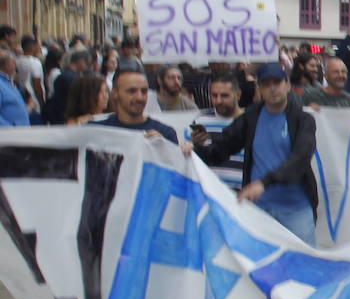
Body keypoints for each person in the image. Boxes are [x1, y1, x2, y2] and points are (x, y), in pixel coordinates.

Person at [191, 63, 319, 246]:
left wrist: (263, 183)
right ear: (259, 88)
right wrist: (195, 150)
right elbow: (221, 150)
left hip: (295, 209)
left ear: (288, 85)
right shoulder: (250, 118)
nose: (272, 88)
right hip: (258, 210)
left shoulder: (303, 120)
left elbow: (300, 159)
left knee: (302, 261)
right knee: (259, 262)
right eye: (266, 84)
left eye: (277, 82)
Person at [186, 72, 247, 191]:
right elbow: (189, 156)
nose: (218, 100)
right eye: (214, 95)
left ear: (238, 94)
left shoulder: (251, 121)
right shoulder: (200, 121)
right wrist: (194, 145)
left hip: (243, 194)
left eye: (224, 96)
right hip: (210, 193)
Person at [89, 67, 179, 144]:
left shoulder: (166, 134)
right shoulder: (94, 131)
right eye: (132, 91)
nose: (139, 97)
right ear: (115, 93)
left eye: (144, 91)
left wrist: (164, 148)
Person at [0, 50, 32, 126]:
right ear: (7, 64)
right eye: (13, 62)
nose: (15, 66)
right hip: (10, 132)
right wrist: (10, 128)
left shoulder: (7, 82)